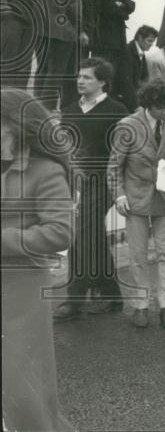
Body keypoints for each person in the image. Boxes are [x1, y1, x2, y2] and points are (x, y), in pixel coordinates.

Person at [1, 88, 75, 431]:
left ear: (13, 125)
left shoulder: (45, 170)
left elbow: (60, 232)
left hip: (21, 289)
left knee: (19, 383)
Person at [107, 79, 165, 329]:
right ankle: (141, 306)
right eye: (161, 108)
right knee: (137, 255)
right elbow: (114, 165)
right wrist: (119, 195)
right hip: (135, 198)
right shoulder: (127, 125)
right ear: (148, 104)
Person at [52, 58, 130, 320]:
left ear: (102, 82)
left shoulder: (117, 110)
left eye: (86, 77)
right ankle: (110, 293)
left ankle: (74, 299)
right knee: (90, 234)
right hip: (75, 181)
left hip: (104, 180)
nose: (80, 81)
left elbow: (122, 152)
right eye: (79, 76)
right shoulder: (70, 109)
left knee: (81, 232)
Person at [35, 0, 81, 110]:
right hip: (63, 32)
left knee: (42, 68)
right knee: (56, 71)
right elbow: (73, 7)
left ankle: (37, 106)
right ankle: (48, 108)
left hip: (38, 30)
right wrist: (79, 29)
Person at [90, 0, 136, 101]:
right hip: (106, 40)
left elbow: (131, 5)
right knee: (105, 75)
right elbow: (111, 9)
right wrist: (122, 9)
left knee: (118, 75)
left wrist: (121, 7)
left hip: (117, 40)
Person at [117, 25, 158, 113]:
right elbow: (126, 83)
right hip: (123, 101)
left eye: (153, 42)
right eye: (149, 40)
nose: (151, 44)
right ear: (140, 38)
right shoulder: (127, 52)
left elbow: (145, 79)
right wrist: (136, 106)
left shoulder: (141, 53)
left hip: (132, 100)